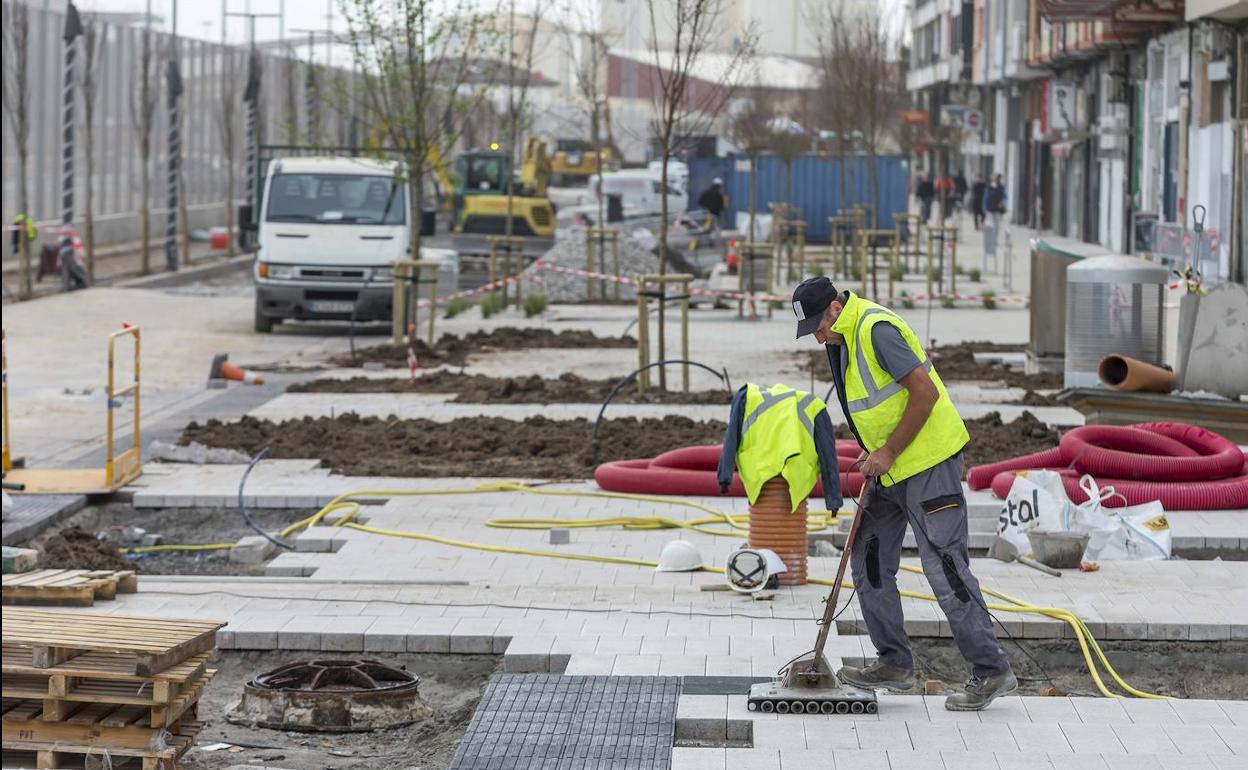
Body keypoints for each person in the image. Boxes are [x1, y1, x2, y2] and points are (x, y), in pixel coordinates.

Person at [791, 276, 1017, 711]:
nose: (816, 337)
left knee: (946, 568)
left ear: (834, 309)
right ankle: (894, 663)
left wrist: (889, 451)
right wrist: (874, 452)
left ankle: (991, 671)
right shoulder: (841, 341)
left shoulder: (876, 330)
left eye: (817, 327)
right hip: (891, 471)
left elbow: (924, 392)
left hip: (929, 464)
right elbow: (875, 405)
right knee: (870, 560)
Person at [983, 175, 1007, 261]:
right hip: (989, 209)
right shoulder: (988, 187)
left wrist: (1002, 203)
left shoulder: (1001, 188)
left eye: (996, 179)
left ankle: (995, 240)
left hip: (997, 210)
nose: (995, 180)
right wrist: (984, 207)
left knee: (996, 226)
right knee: (990, 225)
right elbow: (985, 197)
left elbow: (1005, 197)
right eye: (993, 178)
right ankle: (990, 240)